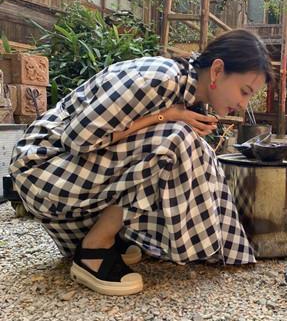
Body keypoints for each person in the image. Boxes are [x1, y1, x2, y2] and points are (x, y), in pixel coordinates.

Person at [10, 29, 273, 296]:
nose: (243, 104)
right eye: (244, 91)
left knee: (194, 147)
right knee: (175, 138)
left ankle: (112, 237)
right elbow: (78, 139)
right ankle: (94, 250)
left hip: (71, 172)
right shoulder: (161, 78)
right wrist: (167, 116)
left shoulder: (186, 92)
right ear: (217, 71)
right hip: (42, 168)